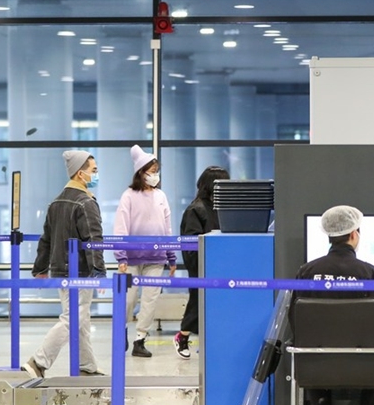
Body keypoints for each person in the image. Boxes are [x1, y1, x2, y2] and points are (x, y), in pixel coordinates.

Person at [290, 205, 374, 405]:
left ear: (329, 236)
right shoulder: (369, 273)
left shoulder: (306, 272)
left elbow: (294, 319)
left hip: (316, 367)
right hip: (365, 367)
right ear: (353, 235)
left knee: (312, 351)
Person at [24, 150, 106, 378]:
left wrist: (40, 268)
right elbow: (93, 238)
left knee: (80, 319)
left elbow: (46, 238)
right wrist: (99, 271)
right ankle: (38, 362)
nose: (96, 174)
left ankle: (87, 366)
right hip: (80, 271)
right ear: (81, 174)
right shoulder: (85, 203)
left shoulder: (56, 201)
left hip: (60, 269)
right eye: (94, 170)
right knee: (73, 318)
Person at [114, 145, 176, 358]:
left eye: (157, 170)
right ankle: (120, 332)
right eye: (152, 171)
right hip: (130, 257)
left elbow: (167, 228)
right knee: (128, 299)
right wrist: (120, 255)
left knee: (150, 300)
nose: (155, 175)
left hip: (156, 258)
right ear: (141, 172)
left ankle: (140, 339)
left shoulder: (161, 196)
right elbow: (120, 226)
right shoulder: (128, 196)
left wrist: (171, 256)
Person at [174, 166, 230, 359]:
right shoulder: (196, 209)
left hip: (217, 264)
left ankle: (206, 341)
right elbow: (191, 241)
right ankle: (182, 337)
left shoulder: (218, 207)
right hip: (202, 264)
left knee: (211, 304)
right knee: (198, 301)